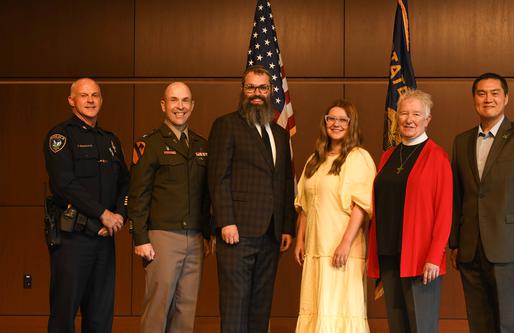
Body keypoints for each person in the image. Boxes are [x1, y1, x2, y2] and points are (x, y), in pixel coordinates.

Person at [449, 73, 514, 332]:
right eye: (481, 93)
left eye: (495, 93)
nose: (488, 99)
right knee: (478, 320)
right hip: (471, 246)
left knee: (508, 320)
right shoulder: (462, 141)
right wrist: (455, 242)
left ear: (506, 98)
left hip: (509, 244)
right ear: (474, 99)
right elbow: (457, 195)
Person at [208, 65, 296, 333]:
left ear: (271, 92)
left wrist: (286, 227)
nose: (256, 94)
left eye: (262, 88)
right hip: (237, 232)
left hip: (270, 234)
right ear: (242, 90)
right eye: (251, 88)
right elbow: (217, 177)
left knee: (260, 307)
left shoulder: (280, 134)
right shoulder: (226, 125)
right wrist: (225, 221)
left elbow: (283, 183)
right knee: (235, 306)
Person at [43, 78, 129, 333]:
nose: (90, 100)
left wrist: (119, 216)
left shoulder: (110, 140)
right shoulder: (61, 136)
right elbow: (64, 184)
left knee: (101, 316)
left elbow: (126, 184)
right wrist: (102, 215)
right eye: (84, 95)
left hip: (105, 239)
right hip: (73, 240)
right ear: (72, 101)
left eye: (95, 95)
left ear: (101, 100)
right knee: (64, 314)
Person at [128, 82, 211, 333]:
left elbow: (206, 196)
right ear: (163, 105)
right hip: (162, 236)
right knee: (158, 307)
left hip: (195, 238)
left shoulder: (201, 145)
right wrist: (139, 238)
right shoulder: (149, 144)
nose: (180, 106)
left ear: (192, 105)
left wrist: (207, 234)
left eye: (185, 101)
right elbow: (138, 194)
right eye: (174, 100)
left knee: (186, 309)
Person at [367, 90, 452, 333]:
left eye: (416, 113)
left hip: (420, 258)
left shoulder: (437, 157)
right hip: (389, 254)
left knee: (421, 327)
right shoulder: (388, 156)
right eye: (403, 113)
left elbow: (444, 212)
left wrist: (434, 256)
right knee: (397, 326)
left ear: (427, 120)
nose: (409, 119)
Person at [293, 100, 375, 332]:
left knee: (341, 309)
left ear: (351, 125)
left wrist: (346, 243)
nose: (336, 124)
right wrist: (300, 240)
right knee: (317, 308)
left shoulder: (359, 157)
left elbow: (361, 205)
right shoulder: (314, 160)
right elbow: (305, 205)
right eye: (331, 118)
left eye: (342, 120)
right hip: (316, 250)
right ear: (325, 122)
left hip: (344, 250)